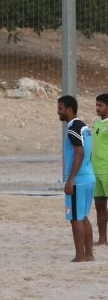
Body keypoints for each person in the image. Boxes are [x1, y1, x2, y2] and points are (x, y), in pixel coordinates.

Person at [58, 95, 96, 262]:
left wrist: (70, 179)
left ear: (69, 109)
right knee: (83, 216)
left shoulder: (73, 127)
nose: (58, 111)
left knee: (75, 218)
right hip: (89, 178)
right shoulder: (85, 127)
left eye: (60, 108)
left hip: (79, 180)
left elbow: (79, 153)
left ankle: (80, 256)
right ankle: (89, 254)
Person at [91, 93, 108, 246]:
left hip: (107, 171)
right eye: (96, 105)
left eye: (100, 105)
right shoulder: (96, 124)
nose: (97, 108)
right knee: (99, 205)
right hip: (94, 171)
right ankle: (102, 239)